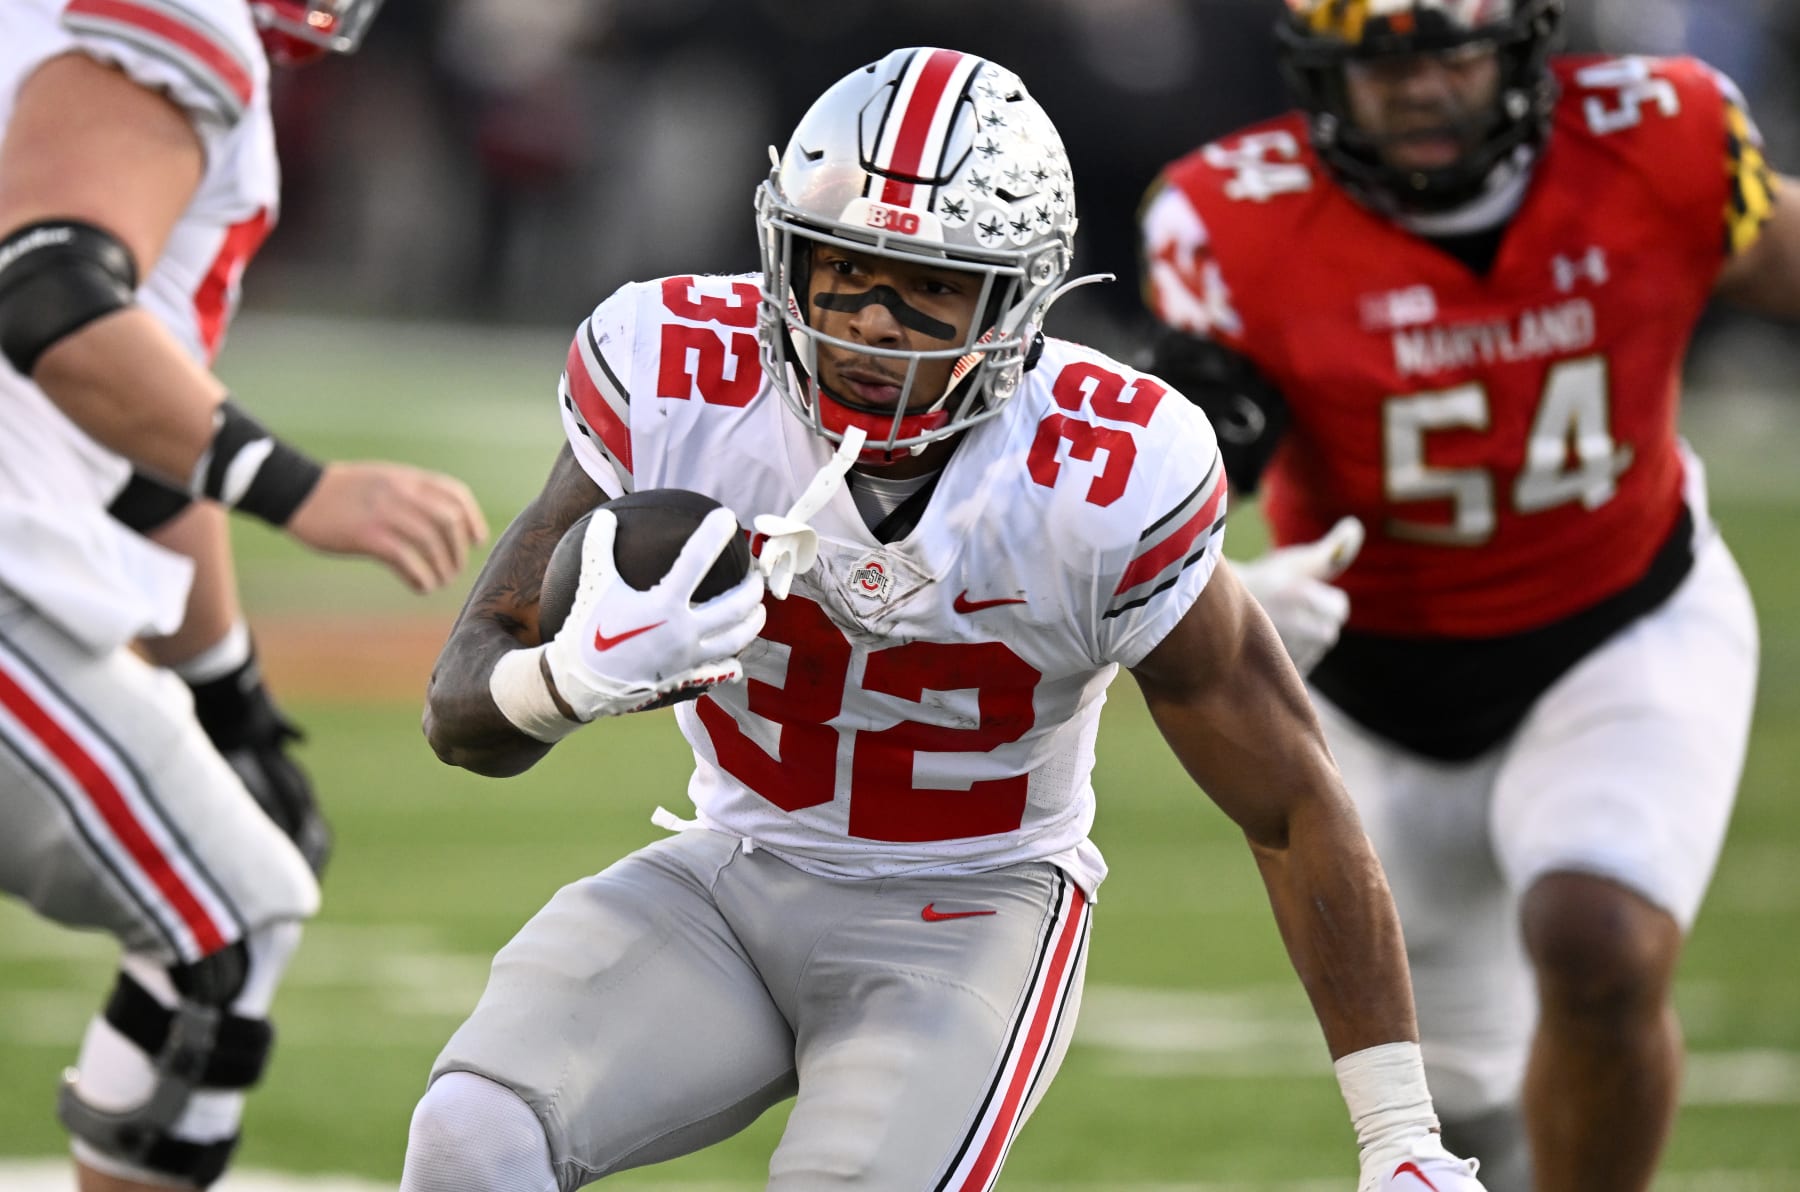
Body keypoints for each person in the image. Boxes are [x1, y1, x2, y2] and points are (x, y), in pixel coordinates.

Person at [405, 45, 1485, 1192]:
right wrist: (568, 680)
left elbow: (1290, 803)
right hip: (731, 869)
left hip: (968, 909)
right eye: (844, 269)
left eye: (929, 287)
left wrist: (1400, 1133)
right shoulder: (675, 373)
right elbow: (460, 709)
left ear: (1017, 297)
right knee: (472, 1134)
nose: (872, 324)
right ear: (787, 256)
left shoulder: (1107, 473)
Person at [1137, 2, 1799, 1189]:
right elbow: (1197, 439)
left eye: (1452, 51)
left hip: (1622, 618)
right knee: (1466, 1110)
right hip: (1369, 687)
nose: (1421, 90)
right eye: (1381, 64)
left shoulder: (1665, 134)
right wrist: (1210, 562)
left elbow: (1782, 258)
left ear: (1524, 43)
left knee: (1597, 945)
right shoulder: (1227, 216)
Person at [0, 1, 487, 1188]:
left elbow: (134, 428)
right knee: (227, 917)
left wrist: (229, 699)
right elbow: (49, 296)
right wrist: (302, 488)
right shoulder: (173, 21)